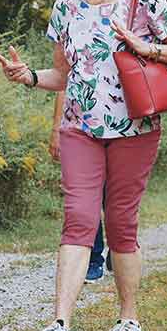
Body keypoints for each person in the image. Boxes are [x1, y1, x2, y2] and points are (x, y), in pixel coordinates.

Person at [0, 0, 167, 331]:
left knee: (122, 224)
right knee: (78, 219)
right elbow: (62, 75)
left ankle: (129, 320)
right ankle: (61, 329)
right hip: (80, 128)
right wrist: (27, 76)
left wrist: (147, 47)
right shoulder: (65, 6)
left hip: (134, 129)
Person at [50, 91, 109, 283]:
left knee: (115, 200)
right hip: (81, 132)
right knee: (86, 200)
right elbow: (62, 85)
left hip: (121, 131)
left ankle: (119, 250)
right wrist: (56, 130)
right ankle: (93, 259)